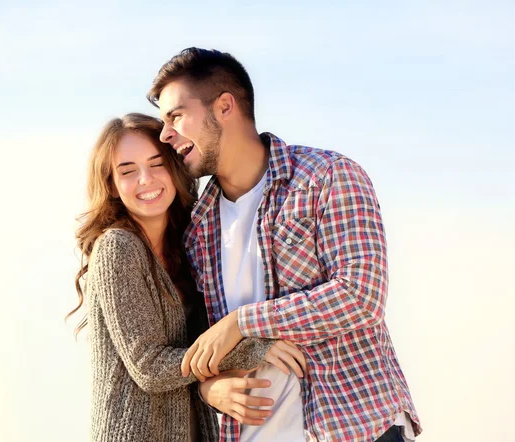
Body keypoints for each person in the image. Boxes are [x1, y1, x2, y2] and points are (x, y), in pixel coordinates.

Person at [147, 48, 422, 442]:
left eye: (175, 116)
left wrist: (242, 323)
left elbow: (361, 296)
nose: (165, 134)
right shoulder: (197, 227)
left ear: (224, 106)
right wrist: (208, 386)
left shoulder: (327, 176)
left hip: (355, 428)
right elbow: (198, 341)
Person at [66, 113, 306, 442]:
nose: (145, 180)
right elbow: (148, 366)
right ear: (111, 183)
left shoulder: (189, 243)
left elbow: (191, 351)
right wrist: (251, 348)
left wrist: (209, 387)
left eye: (157, 164)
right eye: (128, 171)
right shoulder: (117, 247)